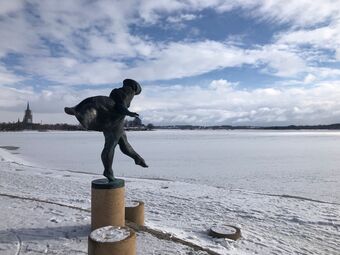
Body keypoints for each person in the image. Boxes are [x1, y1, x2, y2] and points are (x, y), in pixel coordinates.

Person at [64, 79, 148, 181]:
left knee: (124, 145)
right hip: (113, 123)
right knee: (111, 146)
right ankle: (108, 171)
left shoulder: (118, 91)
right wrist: (128, 112)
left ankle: (138, 159)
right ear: (133, 88)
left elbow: (117, 105)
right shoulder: (126, 92)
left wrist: (126, 112)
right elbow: (120, 106)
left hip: (115, 122)